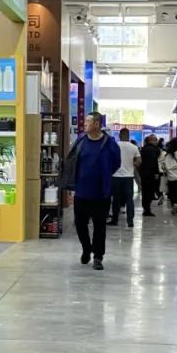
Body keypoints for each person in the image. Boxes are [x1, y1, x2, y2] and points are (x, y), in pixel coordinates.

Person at [63, 112, 121, 270]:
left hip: (101, 193)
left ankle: (98, 257)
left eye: (88, 121)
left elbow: (116, 163)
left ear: (97, 124)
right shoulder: (81, 141)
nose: (85, 124)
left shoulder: (109, 143)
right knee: (80, 224)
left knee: (100, 226)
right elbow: (72, 159)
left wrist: (104, 175)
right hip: (81, 192)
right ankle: (86, 248)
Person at [109, 127, 141, 228]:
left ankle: (115, 220)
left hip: (116, 176)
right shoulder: (134, 147)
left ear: (119, 135)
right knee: (129, 199)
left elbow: (109, 159)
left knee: (116, 199)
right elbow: (139, 161)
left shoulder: (115, 145)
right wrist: (132, 164)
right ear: (128, 135)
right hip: (128, 177)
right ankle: (130, 221)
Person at [138, 134, 161, 217]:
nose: (157, 142)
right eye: (156, 140)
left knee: (145, 191)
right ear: (152, 140)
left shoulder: (144, 148)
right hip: (150, 174)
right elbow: (154, 162)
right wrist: (156, 172)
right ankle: (147, 209)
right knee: (150, 191)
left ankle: (145, 208)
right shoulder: (153, 149)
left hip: (144, 173)